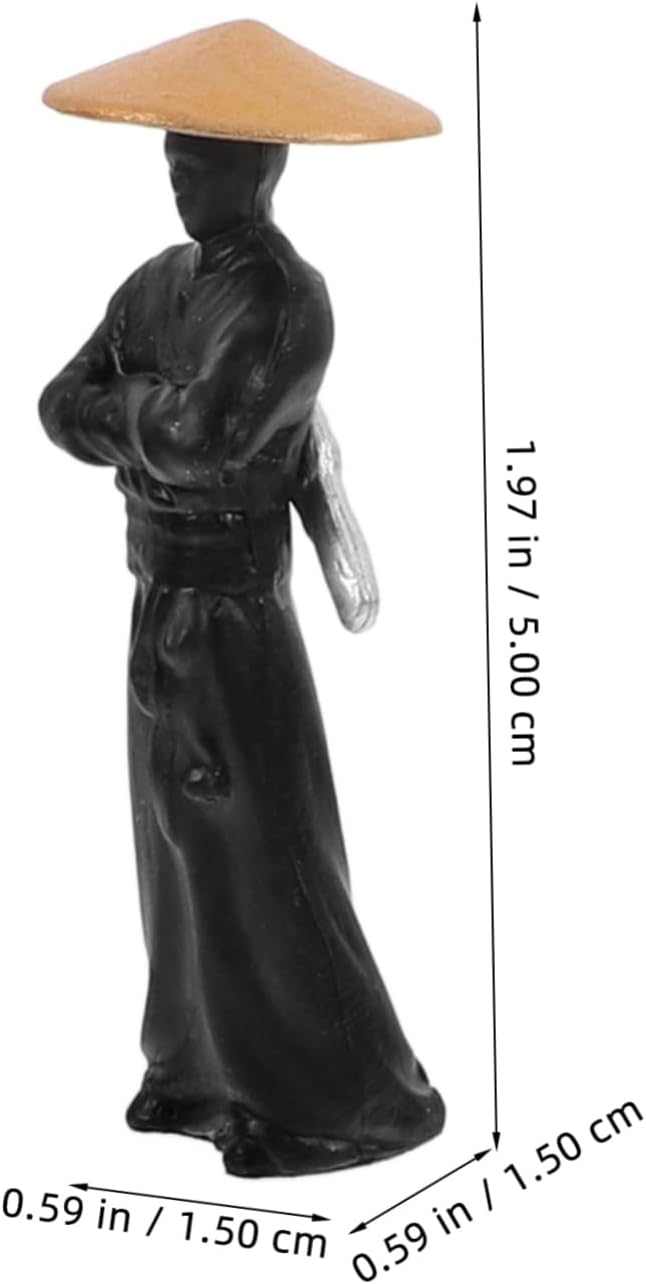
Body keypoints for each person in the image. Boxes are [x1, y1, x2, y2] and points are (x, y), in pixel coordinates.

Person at [39, 21, 445, 1178]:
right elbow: (59, 403)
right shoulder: (155, 285)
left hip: (234, 610)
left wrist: (136, 415)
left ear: (259, 173)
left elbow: (200, 438)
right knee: (172, 843)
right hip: (155, 595)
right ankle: (196, 1069)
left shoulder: (284, 302)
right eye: (173, 163)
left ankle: (344, 1101)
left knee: (262, 848)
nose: (181, 184)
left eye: (202, 167)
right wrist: (146, 417)